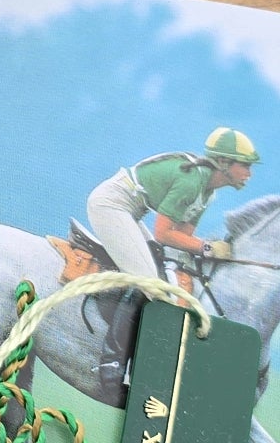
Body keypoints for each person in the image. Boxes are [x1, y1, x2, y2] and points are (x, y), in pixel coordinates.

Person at [86, 127, 260, 392]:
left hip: (131, 211)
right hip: (111, 205)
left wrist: (209, 252)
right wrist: (208, 248)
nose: (249, 173)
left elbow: (182, 237)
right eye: (245, 165)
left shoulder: (208, 192)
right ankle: (111, 364)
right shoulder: (192, 181)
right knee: (151, 283)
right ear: (224, 163)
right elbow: (164, 234)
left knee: (163, 271)